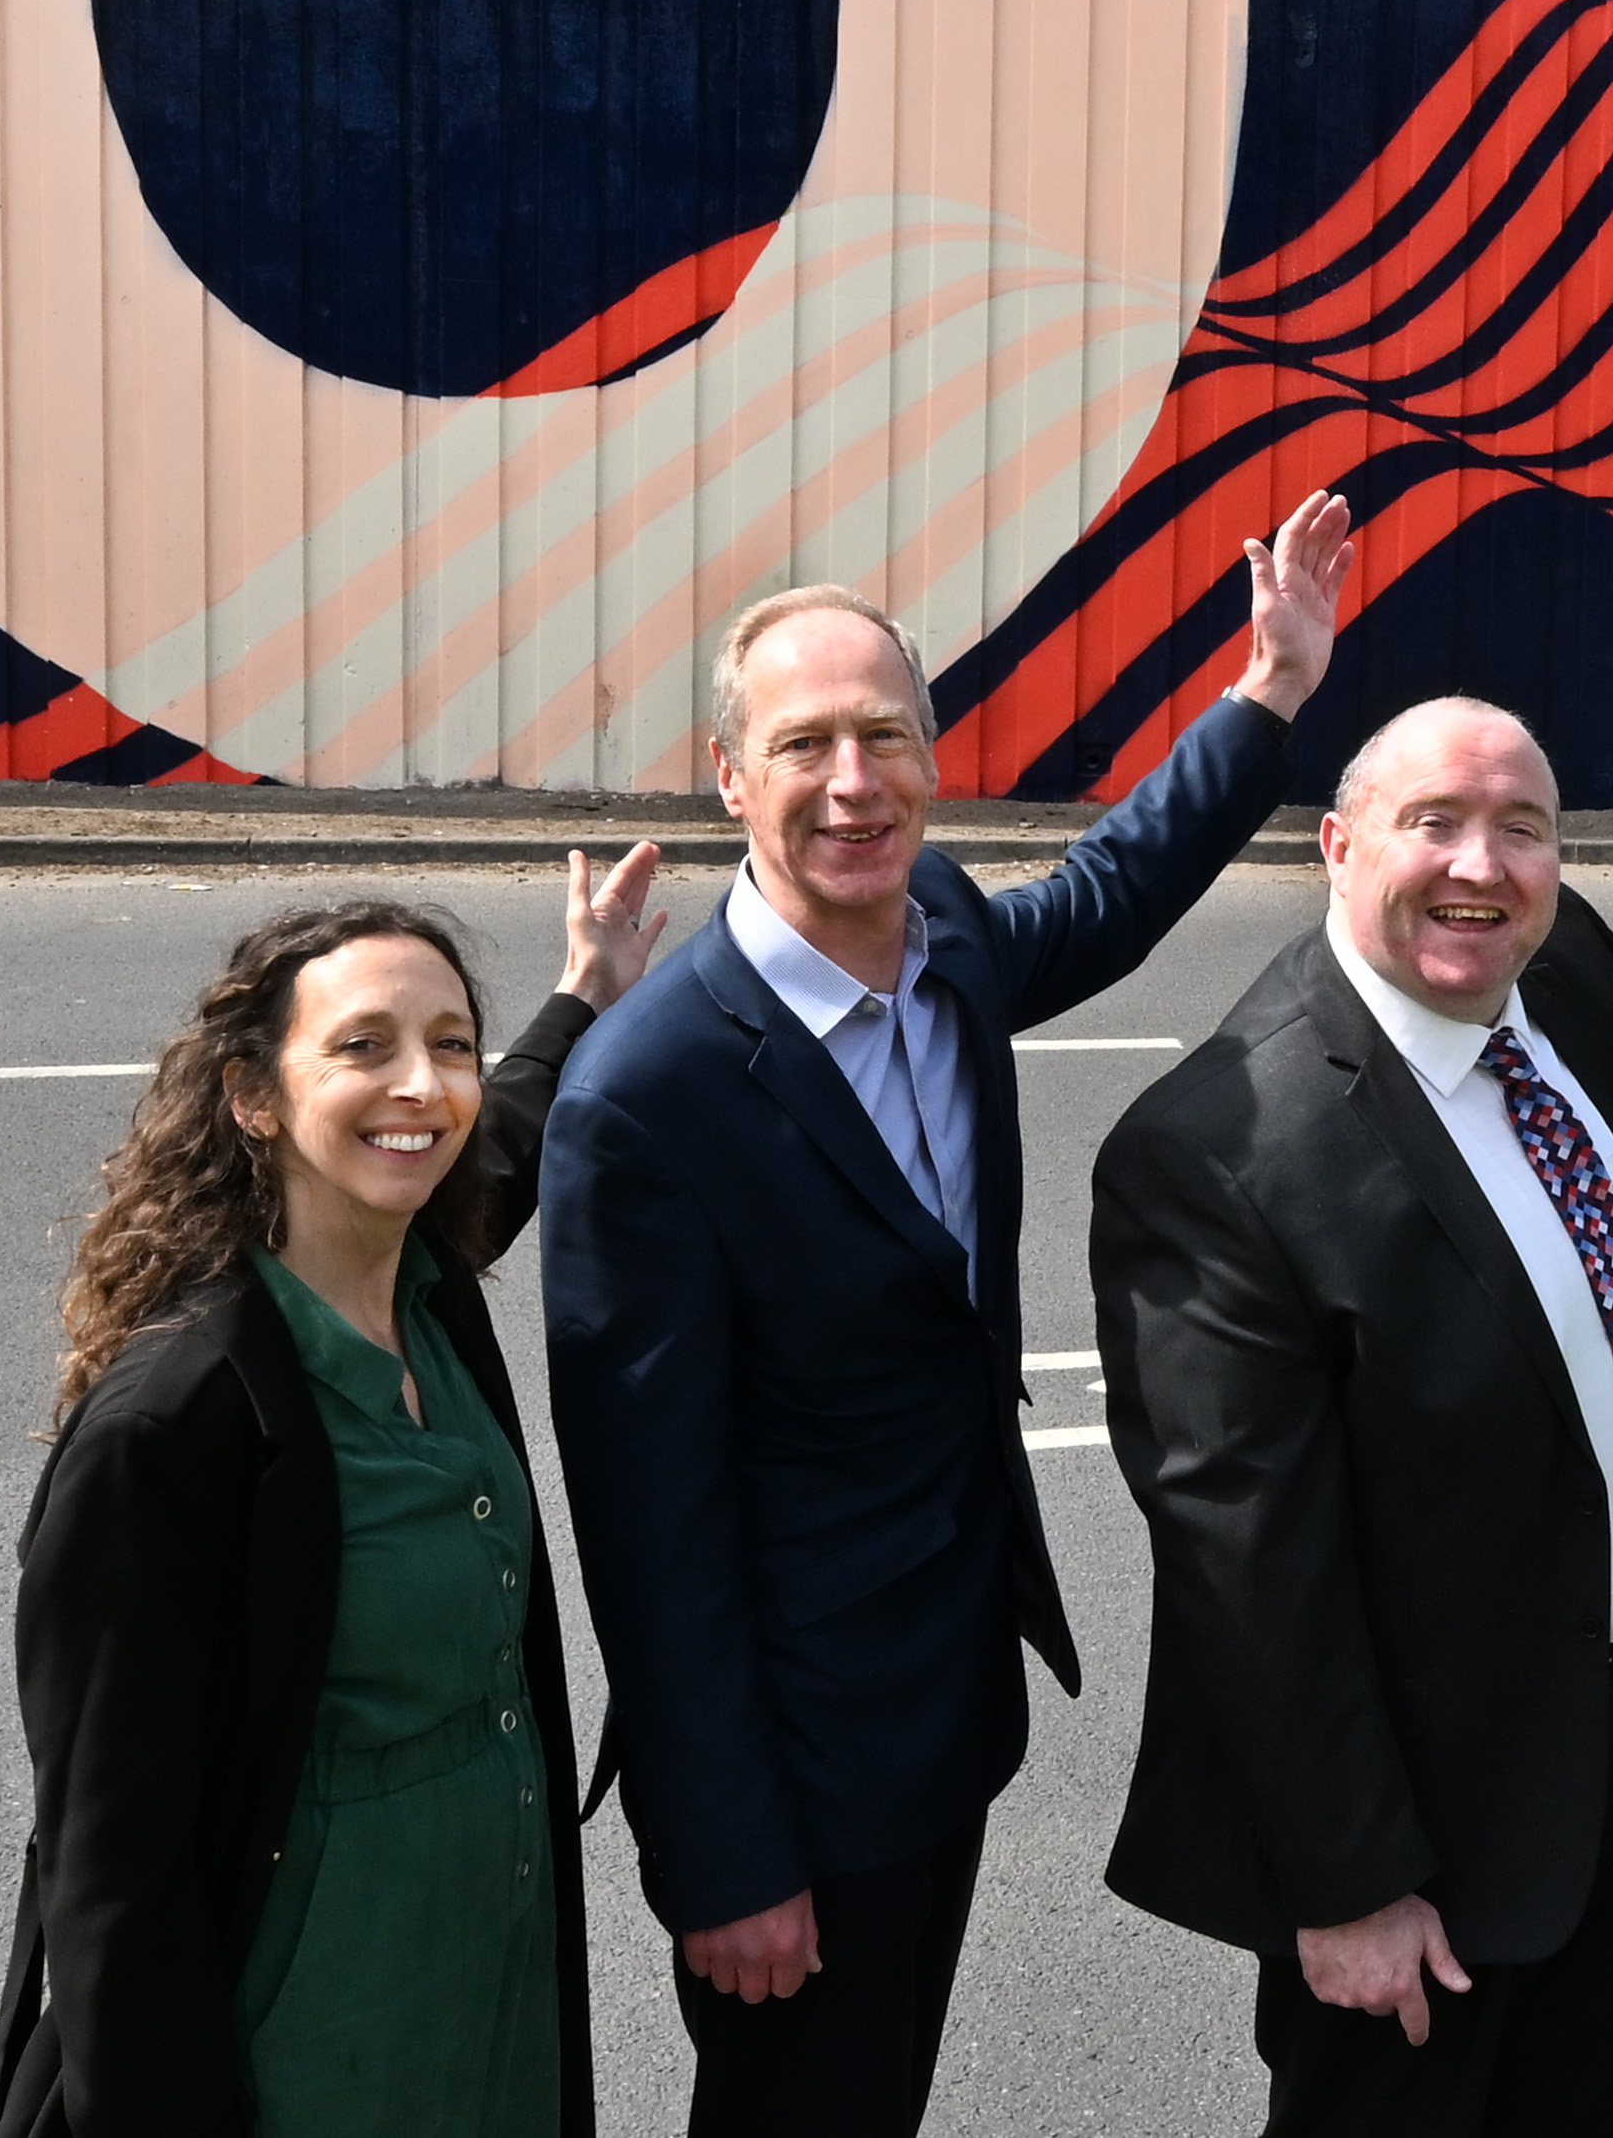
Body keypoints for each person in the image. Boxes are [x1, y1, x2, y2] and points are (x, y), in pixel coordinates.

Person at [547, 494, 1366, 2137]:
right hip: (790, 1771)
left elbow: (1110, 891)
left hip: (938, 1705)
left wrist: (1269, 691)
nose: (852, 781)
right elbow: (651, 1529)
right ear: (728, 778)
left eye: (887, 737)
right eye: (802, 747)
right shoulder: (648, 1100)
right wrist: (724, 1854)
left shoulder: (944, 943)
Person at [1090, 595, 1613, 2138]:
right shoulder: (1218, 1150)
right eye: (1436, 823)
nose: (1481, 866)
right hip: (1422, 1795)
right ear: (1336, 849)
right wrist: (1347, 1885)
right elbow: (1247, 1571)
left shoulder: (1548, 990)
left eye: (1523, 829)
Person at [0, 851, 672, 2138]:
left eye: (449, 1044)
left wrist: (584, 991)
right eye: (363, 1047)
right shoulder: (172, 1422)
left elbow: (498, 1130)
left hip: (494, 1991)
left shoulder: (431, 1289)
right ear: (252, 1095)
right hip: (311, 2029)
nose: (421, 1086)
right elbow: (108, 1874)